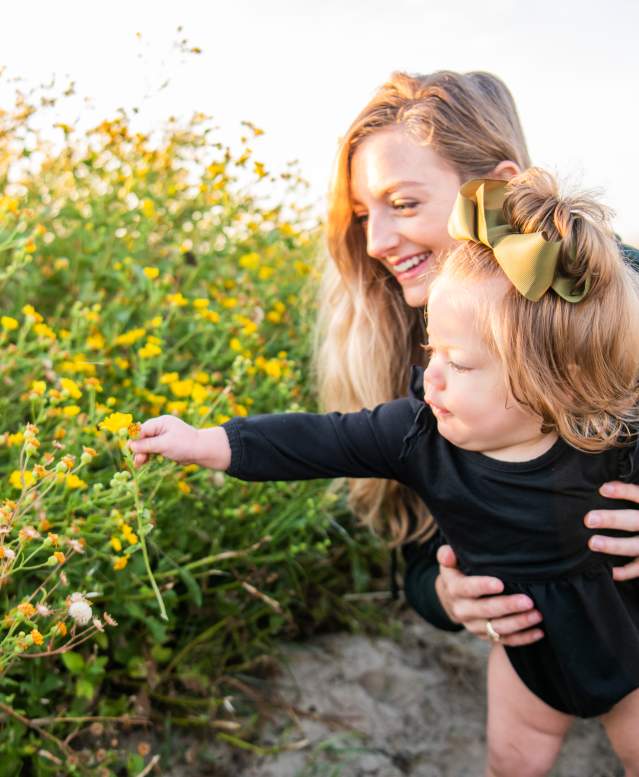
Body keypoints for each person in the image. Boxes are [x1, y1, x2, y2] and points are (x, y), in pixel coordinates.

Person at [130, 169, 639, 775]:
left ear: (552, 380)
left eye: (460, 361)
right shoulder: (417, 432)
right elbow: (320, 440)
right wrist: (208, 442)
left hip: (629, 637)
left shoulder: (613, 436)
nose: (434, 376)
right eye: (432, 350)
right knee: (512, 760)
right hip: (524, 648)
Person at [316, 70, 639, 645]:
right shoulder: (398, 336)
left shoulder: (616, 290)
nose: (375, 242)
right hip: (542, 657)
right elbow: (417, 547)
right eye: (365, 215)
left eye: (404, 203)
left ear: (496, 192)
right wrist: (444, 596)